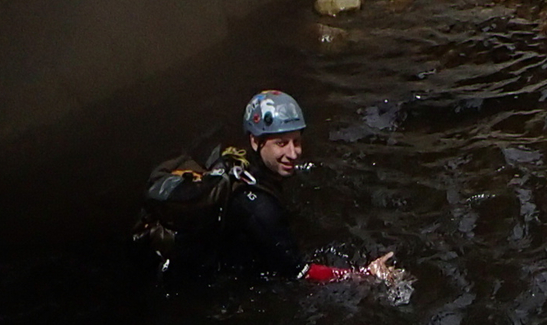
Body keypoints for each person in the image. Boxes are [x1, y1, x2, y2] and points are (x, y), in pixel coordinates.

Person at [168, 90, 399, 286]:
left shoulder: (233, 156)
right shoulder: (260, 208)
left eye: (296, 142)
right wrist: (365, 276)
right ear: (255, 142)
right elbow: (301, 272)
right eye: (281, 143)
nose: (293, 153)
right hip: (199, 283)